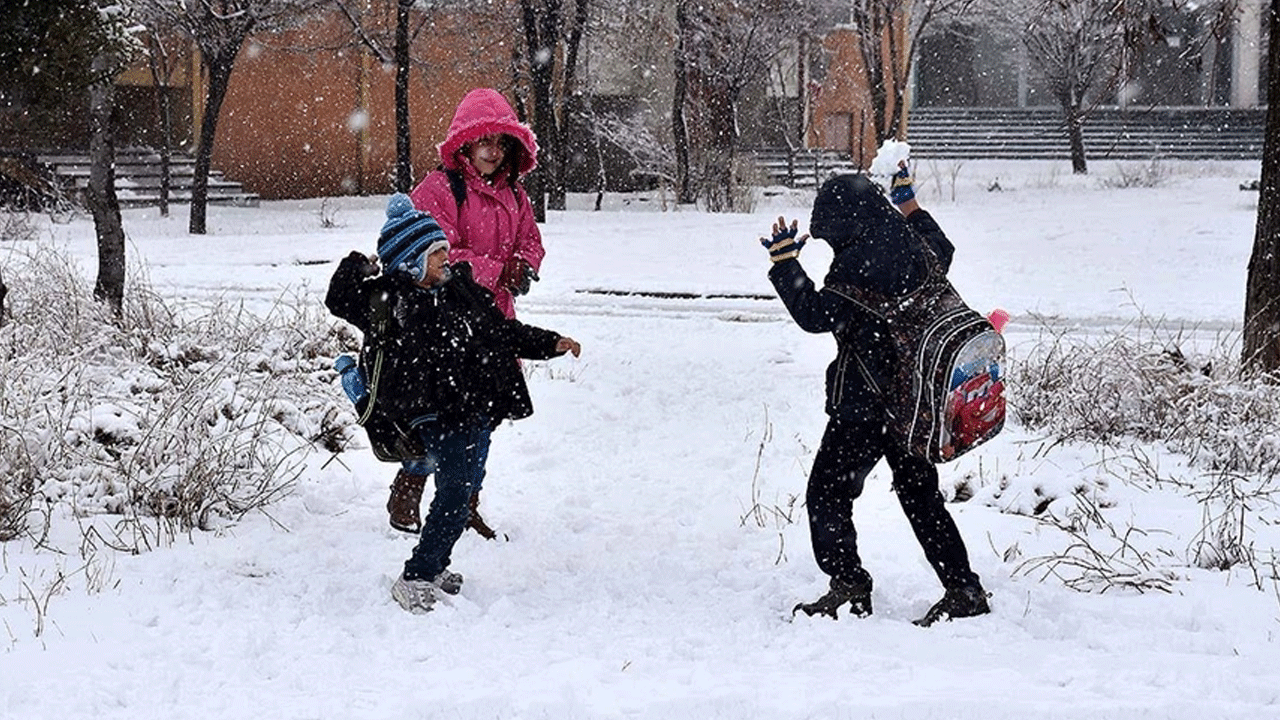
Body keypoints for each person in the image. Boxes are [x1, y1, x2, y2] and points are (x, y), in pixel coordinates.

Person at [326, 194, 581, 614]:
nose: (446, 257)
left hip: (471, 404)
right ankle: (417, 575)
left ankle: (435, 562)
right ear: (410, 260)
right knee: (455, 492)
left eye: (444, 249)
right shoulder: (390, 301)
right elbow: (340, 298)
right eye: (435, 253)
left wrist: (551, 342)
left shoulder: (461, 292)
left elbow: (504, 332)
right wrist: (359, 264)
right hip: (430, 410)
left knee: (461, 490)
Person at [761, 166, 990, 627]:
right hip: (913, 403)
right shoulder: (914, 246)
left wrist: (785, 263)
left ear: (847, 222)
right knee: (921, 497)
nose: (832, 246)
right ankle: (963, 589)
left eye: (832, 236)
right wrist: (908, 201)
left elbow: (815, 314)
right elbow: (942, 244)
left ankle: (848, 586)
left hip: (864, 408)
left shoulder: (857, 266)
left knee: (826, 494)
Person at [407, 87, 545, 539]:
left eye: (500, 142)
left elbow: (530, 240)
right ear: (464, 143)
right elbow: (435, 254)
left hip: (494, 323)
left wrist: (525, 265)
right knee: (444, 416)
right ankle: (411, 481)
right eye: (483, 140)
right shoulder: (439, 189)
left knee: (486, 417)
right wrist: (495, 269)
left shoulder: (516, 196)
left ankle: (465, 502)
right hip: (447, 323)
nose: (491, 150)